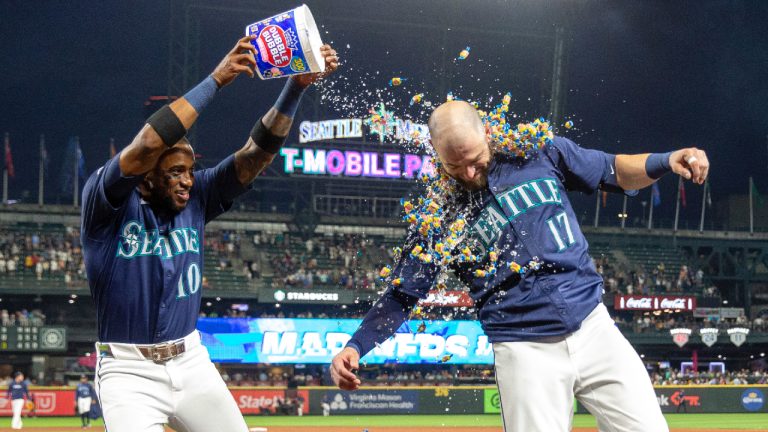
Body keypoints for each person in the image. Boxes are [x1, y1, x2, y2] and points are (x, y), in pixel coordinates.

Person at [331, 101, 710, 432]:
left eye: (474, 159)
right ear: (435, 151)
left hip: (594, 328)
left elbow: (612, 169)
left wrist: (666, 160)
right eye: (454, 164)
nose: (467, 173)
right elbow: (402, 295)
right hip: (524, 347)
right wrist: (356, 345)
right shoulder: (439, 215)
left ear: (489, 132)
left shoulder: (539, 152)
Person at [80, 35, 338, 432]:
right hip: (128, 371)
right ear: (146, 176)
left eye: (190, 170)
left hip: (191, 360)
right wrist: (216, 79)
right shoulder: (107, 201)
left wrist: (295, 87)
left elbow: (257, 153)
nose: (188, 181)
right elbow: (148, 142)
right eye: (175, 172)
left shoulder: (197, 196)